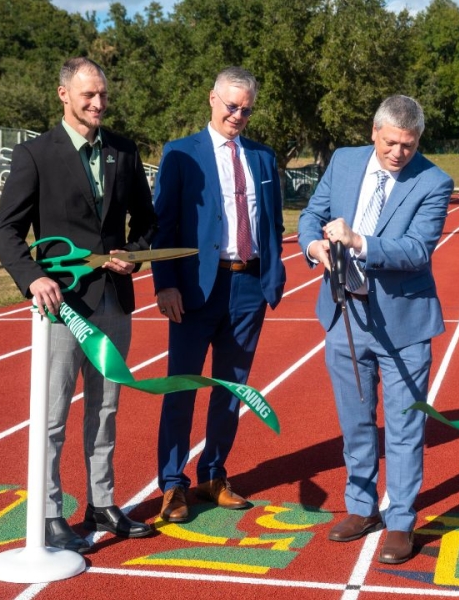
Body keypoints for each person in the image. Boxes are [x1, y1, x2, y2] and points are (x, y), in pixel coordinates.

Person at [0, 57, 158, 553]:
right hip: (62, 306)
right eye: (88, 95)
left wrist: (134, 252)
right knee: (53, 416)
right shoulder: (35, 155)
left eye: (103, 95)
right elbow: (6, 232)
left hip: (114, 303)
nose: (98, 103)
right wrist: (33, 277)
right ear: (63, 95)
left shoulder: (124, 153)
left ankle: (102, 503)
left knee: (105, 410)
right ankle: (47, 513)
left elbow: (147, 222)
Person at [297, 95, 453, 565]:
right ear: (373, 132)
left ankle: (402, 520)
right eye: (390, 143)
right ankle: (362, 507)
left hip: (404, 324)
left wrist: (358, 240)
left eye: (408, 145)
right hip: (345, 315)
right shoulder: (344, 162)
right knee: (355, 422)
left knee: (404, 427)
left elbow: (416, 250)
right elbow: (312, 215)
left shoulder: (433, 181)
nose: (398, 153)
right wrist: (313, 247)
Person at [151, 66, 286, 523]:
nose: (238, 116)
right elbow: (163, 225)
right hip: (193, 289)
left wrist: (273, 276)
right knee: (182, 388)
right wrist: (164, 283)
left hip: (248, 287)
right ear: (212, 99)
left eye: (246, 109)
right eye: (231, 106)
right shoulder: (180, 154)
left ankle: (213, 474)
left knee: (232, 389)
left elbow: (273, 222)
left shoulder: (264, 158)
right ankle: (172, 485)